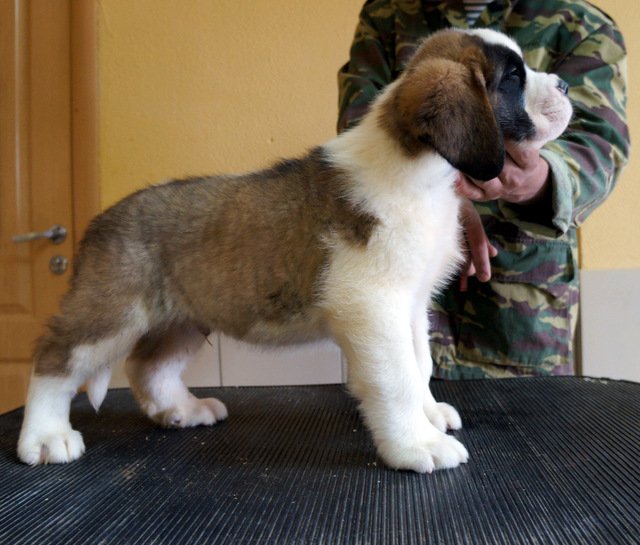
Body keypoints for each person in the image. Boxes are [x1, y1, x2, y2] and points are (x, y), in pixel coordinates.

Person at [337, 0, 629, 379]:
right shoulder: (387, 13)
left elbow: (599, 146)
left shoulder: (581, 23)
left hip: (515, 310)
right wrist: (445, 197)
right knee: (401, 404)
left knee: (530, 419)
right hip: (398, 285)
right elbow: (362, 127)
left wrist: (536, 178)